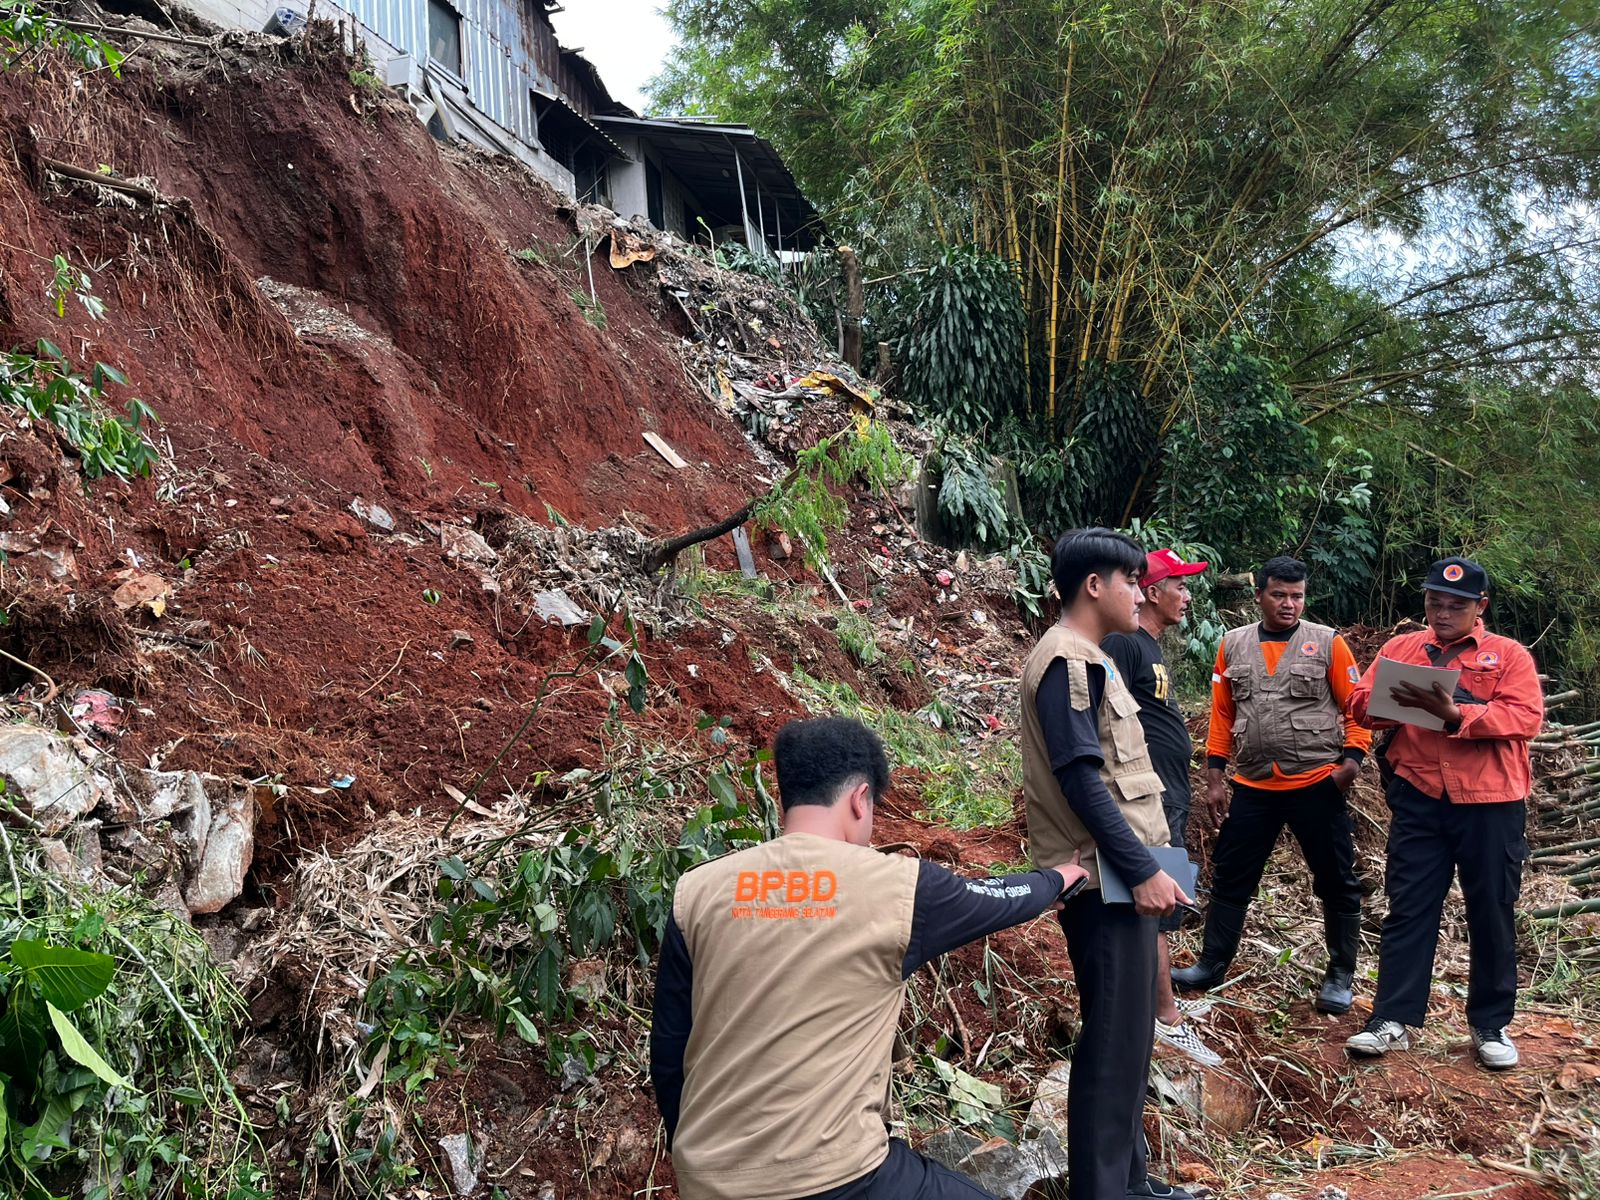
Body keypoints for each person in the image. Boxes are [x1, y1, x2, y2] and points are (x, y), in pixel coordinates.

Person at [650, 716, 1088, 1200]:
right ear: (861, 799)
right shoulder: (896, 887)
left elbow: (670, 1051)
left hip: (705, 1176)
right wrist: (1062, 875)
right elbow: (997, 898)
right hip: (833, 1175)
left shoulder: (698, 890)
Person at [1020, 528, 1194, 1200]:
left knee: (1129, 1043)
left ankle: (1133, 1185)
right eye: (1130, 581)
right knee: (1114, 1045)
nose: (1138, 592)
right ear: (1095, 585)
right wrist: (1143, 870)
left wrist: (1157, 867)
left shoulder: (1089, 657)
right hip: (1105, 878)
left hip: (1125, 871)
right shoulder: (1066, 660)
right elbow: (1083, 779)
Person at [1343, 557, 1542, 1069]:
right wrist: (1400, 703)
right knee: (1409, 905)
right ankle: (1391, 1019)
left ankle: (1490, 1025)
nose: (1444, 611)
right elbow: (1361, 703)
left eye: (1457, 604)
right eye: (1436, 601)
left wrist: (1458, 714)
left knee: (1492, 909)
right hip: (1419, 797)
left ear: (1481, 608)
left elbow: (1524, 716)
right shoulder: (1402, 649)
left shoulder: (1509, 656)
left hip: (1491, 803)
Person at [1171, 556, 1371, 1014]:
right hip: (1255, 785)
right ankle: (1211, 964)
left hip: (1317, 783)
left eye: (1297, 595)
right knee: (1232, 876)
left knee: (1336, 880)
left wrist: (1350, 763)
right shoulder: (1232, 646)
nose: (1289, 604)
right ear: (1259, 594)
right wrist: (1215, 776)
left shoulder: (1327, 643)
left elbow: (1357, 707)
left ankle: (1340, 975)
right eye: (1279, 594)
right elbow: (1223, 714)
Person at [1103, 549, 1221, 1068]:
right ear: (1152, 591)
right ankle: (1164, 1018)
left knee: (1163, 902)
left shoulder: (1149, 646)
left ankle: (1158, 1008)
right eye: (1180, 585)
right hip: (1144, 800)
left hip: (1165, 794)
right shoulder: (1125, 645)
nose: (1188, 595)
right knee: (1152, 902)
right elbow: (1105, 717)